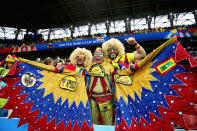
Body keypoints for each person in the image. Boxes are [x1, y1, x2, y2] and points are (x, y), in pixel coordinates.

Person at [86, 47, 115, 125]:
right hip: (92, 98)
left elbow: (118, 76)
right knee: (92, 121)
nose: (97, 56)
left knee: (107, 121)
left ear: (104, 57)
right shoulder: (89, 66)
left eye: (100, 54)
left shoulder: (110, 66)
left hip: (106, 98)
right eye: (95, 54)